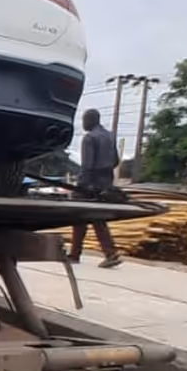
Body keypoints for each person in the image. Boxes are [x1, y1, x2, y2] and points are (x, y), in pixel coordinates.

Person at [69, 109, 122, 268]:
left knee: (84, 218)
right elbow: (115, 161)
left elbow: (87, 165)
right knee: (91, 218)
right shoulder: (110, 136)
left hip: (90, 185)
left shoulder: (89, 138)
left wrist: (80, 186)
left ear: (91, 120)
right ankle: (76, 254)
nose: (83, 124)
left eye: (84, 120)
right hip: (106, 183)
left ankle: (109, 253)